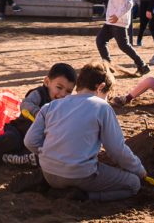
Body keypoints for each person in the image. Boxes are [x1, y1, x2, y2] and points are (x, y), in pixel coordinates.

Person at [24, 61, 147, 201]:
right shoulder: (102, 107)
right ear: (100, 87)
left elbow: (30, 141)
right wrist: (139, 170)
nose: (106, 100)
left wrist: (49, 155)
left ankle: (62, 189)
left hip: (49, 174)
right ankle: (85, 196)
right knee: (133, 184)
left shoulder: (50, 106)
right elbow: (116, 150)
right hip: (80, 175)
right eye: (107, 96)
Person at [0, 63, 77, 169]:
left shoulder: (66, 104)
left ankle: (10, 159)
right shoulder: (39, 93)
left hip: (37, 139)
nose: (63, 94)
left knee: (43, 151)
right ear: (47, 82)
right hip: (21, 131)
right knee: (9, 140)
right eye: (59, 87)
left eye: (68, 91)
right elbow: (26, 104)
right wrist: (37, 112)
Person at [97, 0, 150, 76]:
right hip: (111, 22)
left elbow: (129, 3)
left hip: (118, 22)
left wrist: (117, 15)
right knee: (100, 40)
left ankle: (142, 65)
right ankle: (109, 66)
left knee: (123, 45)